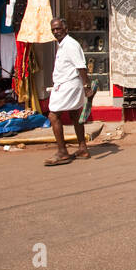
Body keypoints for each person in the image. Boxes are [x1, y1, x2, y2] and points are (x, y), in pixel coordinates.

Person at [45, 18, 92, 165]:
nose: (56, 32)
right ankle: (82, 148)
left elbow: (81, 66)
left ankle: (62, 152)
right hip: (66, 85)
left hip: (68, 85)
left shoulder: (70, 44)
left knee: (53, 116)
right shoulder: (63, 45)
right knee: (74, 114)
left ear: (66, 29)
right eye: (53, 30)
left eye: (58, 29)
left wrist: (86, 86)